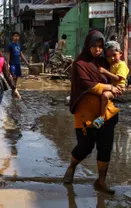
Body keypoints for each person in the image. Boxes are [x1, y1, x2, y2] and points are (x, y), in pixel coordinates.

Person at [64, 30, 124, 195]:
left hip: (106, 113)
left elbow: (119, 76)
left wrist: (120, 86)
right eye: (94, 46)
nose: (98, 50)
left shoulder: (105, 63)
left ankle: (101, 181)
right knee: (85, 146)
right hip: (86, 113)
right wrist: (110, 87)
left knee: (105, 148)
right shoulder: (80, 64)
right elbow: (87, 84)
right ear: (88, 46)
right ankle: (72, 166)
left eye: (100, 46)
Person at [93, 41, 129, 128]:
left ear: (120, 53)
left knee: (105, 95)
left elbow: (118, 78)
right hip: (112, 86)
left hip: (118, 88)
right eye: (108, 56)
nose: (112, 58)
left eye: (114, 55)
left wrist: (105, 72)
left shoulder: (122, 65)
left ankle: (102, 116)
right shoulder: (111, 64)